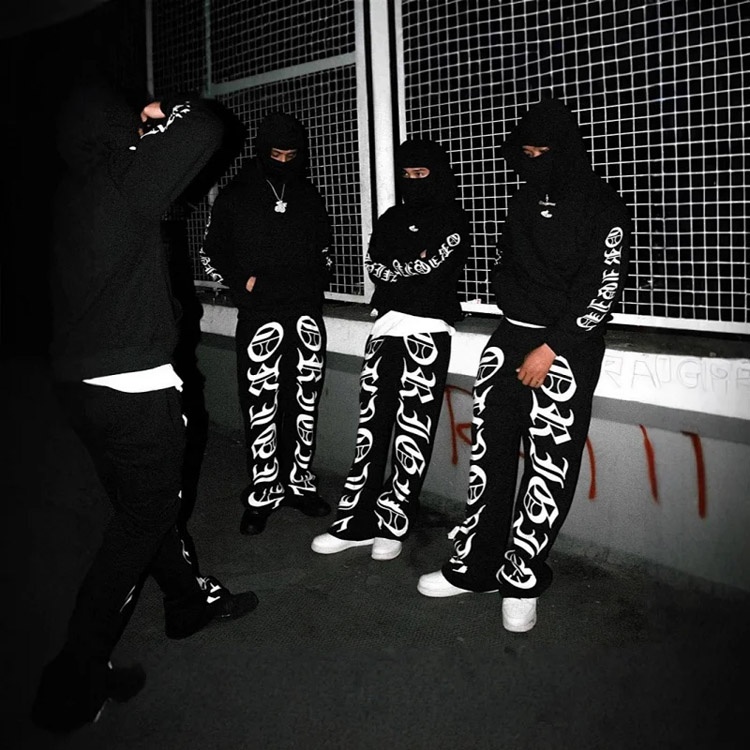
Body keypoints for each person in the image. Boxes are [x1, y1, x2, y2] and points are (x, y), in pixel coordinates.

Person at [32, 73, 258, 733]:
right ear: (114, 130)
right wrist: (163, 110)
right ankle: (74, 681)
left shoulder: (70, 194)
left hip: (79, 387)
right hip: (132, 390)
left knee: (144, 509)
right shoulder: (121, 182)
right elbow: (207, 126)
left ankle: (187, 604)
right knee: (140, 522)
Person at [417, 97, 631, 633]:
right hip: (510, 335)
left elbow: (603, 286)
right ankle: (477, 566)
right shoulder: (523, 197)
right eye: (526, 152)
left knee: (549, 463)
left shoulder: (602, 203)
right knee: (488, 455)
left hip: (565, 347)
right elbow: (507, 260)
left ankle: (522, 576)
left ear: (566, 151)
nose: (532, 161)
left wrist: (552, 345)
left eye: (542, 153)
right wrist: (513, 319)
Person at [311, 138, 471, 561]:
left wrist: (400, 269)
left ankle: (394, 521)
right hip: (384, 329)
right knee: (371, 430)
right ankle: (355, 521)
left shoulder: (453, 217)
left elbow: (435, 269)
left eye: (421, 174)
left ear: (437, 174)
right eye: (407, 174)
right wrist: (410, 266)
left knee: (412, 431)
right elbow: (375, 267)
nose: (413, 181)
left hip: (428, 330)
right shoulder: (391, 218)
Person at [199, 111, 333, 536]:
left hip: (305, 314)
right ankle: (263, 490)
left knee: (304, 403)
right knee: (261, 405)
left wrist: (314, 280)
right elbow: (209, 253)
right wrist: (244, 283)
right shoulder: (236, 195)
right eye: (277, 154)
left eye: (292, 155)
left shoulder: (308, 194)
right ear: (262, 151)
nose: (285, 161)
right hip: (259, 316)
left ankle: (299, 483)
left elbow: (325, 250)